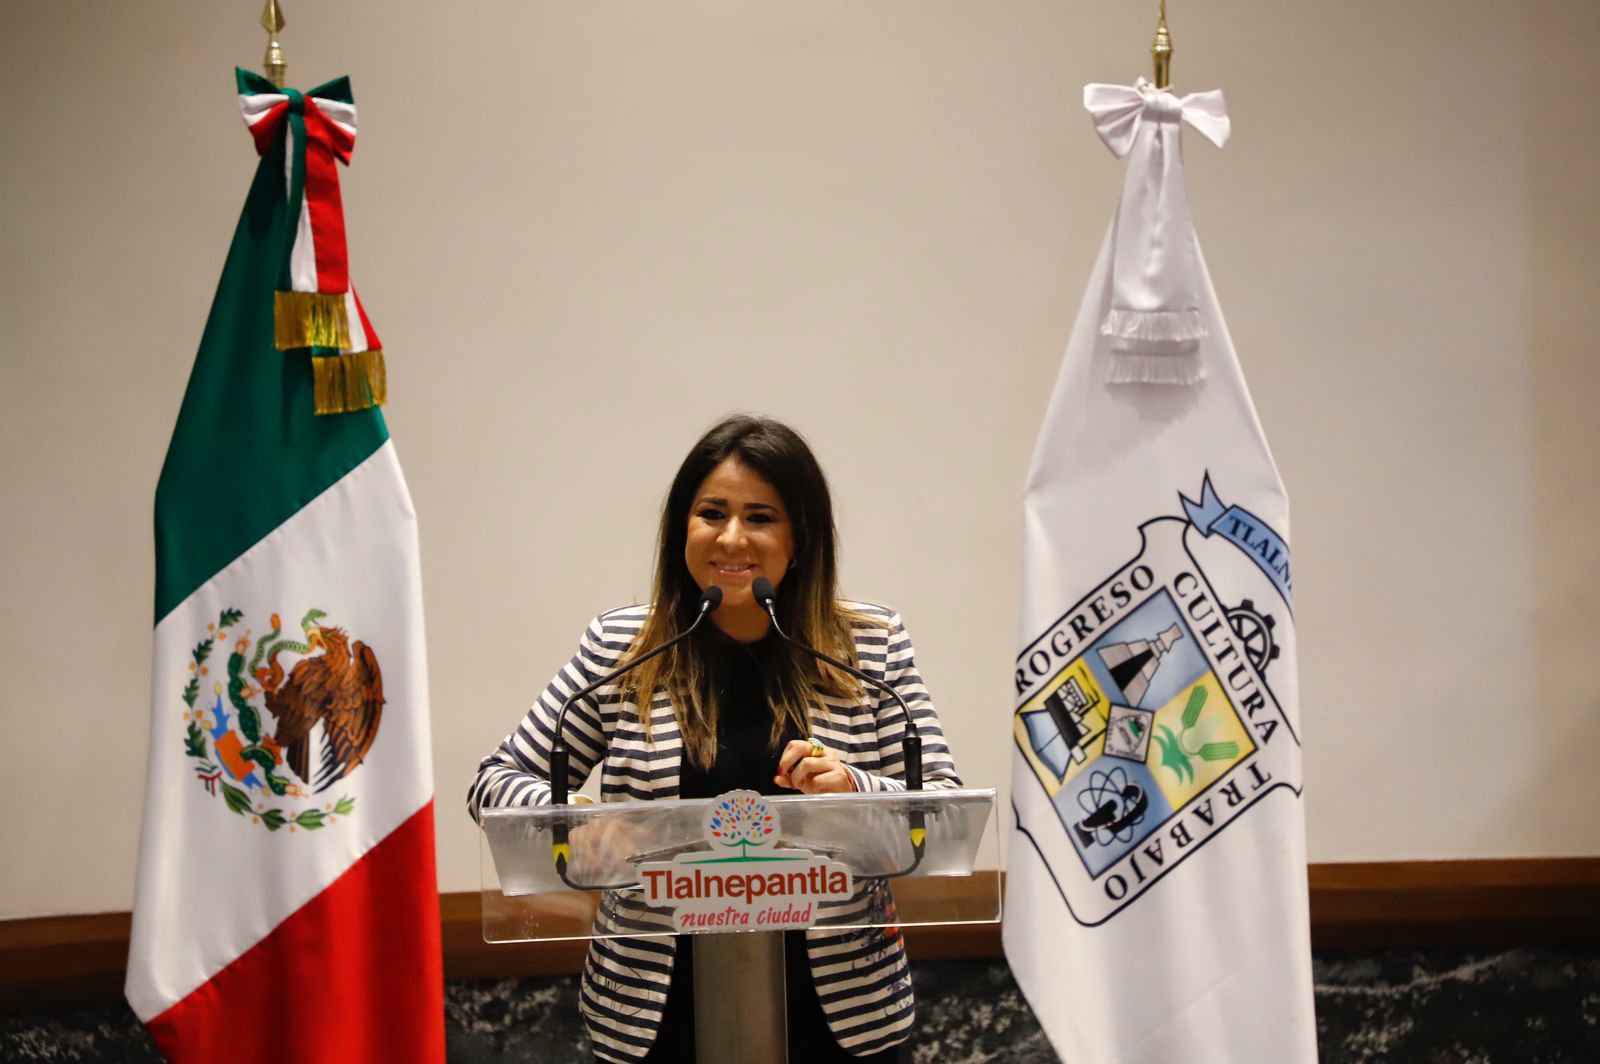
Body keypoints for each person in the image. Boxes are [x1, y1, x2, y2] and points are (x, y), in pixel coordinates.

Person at [469, 414, 962, 1063]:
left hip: (839, 1009)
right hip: (656, 1007)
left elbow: (943, 811)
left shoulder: (870, 645)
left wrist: (853, 789)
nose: (732, 538)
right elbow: (493, 784)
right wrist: (576, 820)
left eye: (760, 517)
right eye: (712, 513)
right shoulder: (623, 648)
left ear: (800, 536)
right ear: (683, 528)